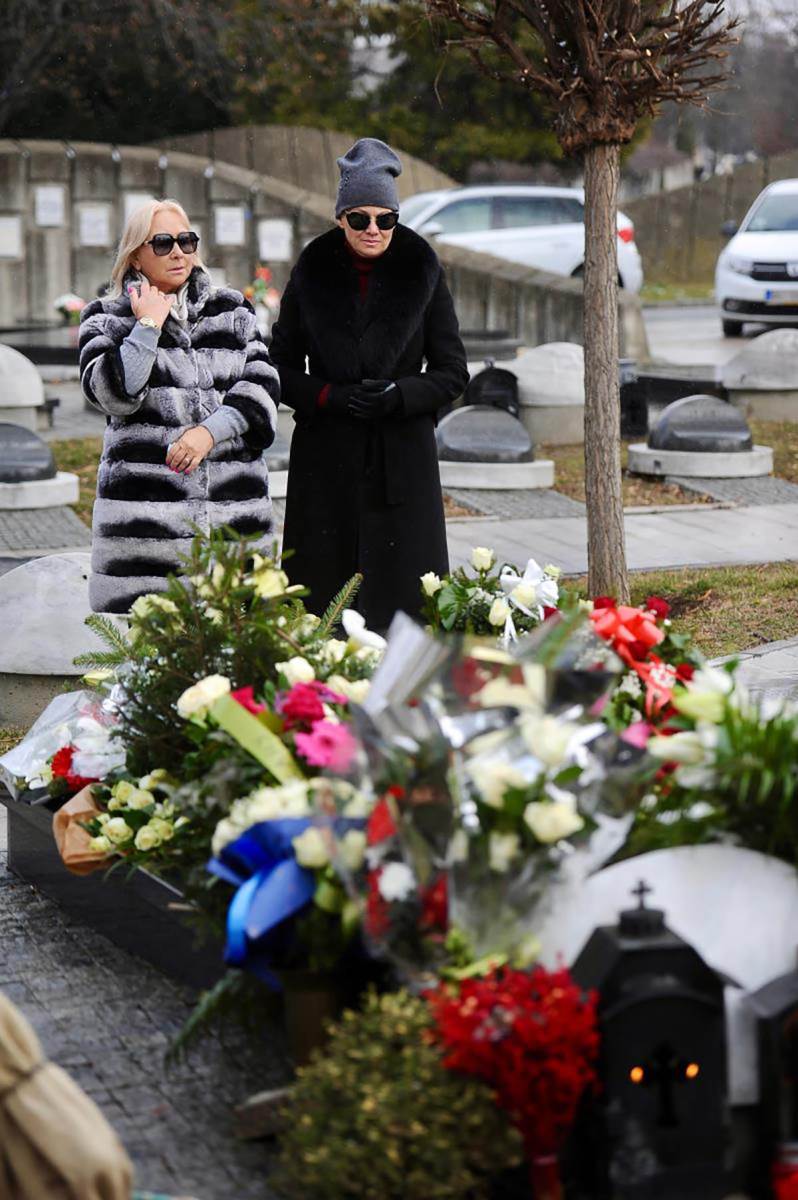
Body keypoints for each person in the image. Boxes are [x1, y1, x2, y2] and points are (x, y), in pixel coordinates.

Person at [269, 137, 468, 630]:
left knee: (403, 615)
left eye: (386, 219)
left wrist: (400, 396)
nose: (373, 229)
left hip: (401, 465)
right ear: (341, 218)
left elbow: (452, 372)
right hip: (325, 466)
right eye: (360, 218)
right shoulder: (312, 269)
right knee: (320, 613)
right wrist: (328, 396)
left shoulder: (422, 268)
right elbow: (276, 367)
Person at [79, 199, 279, 613]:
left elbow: (264, 387)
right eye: (164, 242)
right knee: (148, 664)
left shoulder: (233, 311)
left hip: (233, 527)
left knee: (237, 667)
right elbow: (113, 394)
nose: (178, 252)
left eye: (186, 241)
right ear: (135, 254)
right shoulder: (105, 319)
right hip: (146, 542)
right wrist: (147, 326)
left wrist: (210, 432)